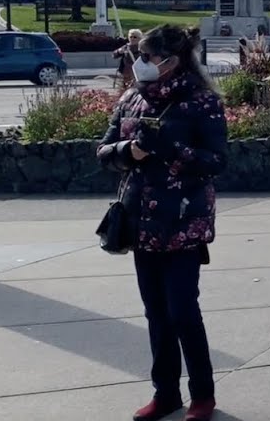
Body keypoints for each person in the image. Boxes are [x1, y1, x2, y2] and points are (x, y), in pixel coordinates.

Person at [96, 25, 228, 421]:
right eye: (140, 55)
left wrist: (173, 149)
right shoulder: (132, 98)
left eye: (148, 57)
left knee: (182, 310)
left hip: (184, 220)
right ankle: (165, 392)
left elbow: (217, 161)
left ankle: (202, 395)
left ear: (172, 61)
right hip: (141, 221)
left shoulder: (202, 102)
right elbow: (102, 151)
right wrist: (127, 151)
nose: (140, 64)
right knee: (155, 312)